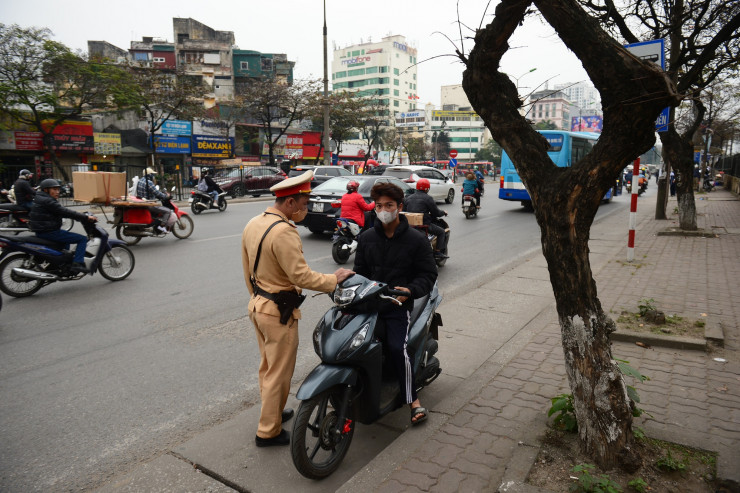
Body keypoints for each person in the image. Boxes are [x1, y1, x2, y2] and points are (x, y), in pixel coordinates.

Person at [241, 170, 354, 447]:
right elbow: (301, 277)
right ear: (289, 203)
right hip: (278, 312)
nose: (305, 209)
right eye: (303, 204)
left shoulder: (255, 222)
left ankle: (275, 413)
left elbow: (247, 269)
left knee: (268, 368)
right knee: (279, 372)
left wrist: (259, 298)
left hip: (258, 305)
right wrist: (333, 279)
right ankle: (268, 432)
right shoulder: (284, 233)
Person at [353, 181, 438, 426]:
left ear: (400, 206)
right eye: (378, 205)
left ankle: (413, 401)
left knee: (396, 348)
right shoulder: (367, 238)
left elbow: (428, 275)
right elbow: (359, 272)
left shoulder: (416, 240)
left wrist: (410, 291)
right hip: (368, 305)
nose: (383, 210)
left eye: (389, 205)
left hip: (396, 307)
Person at [29, 179, 98, 273]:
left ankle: (61, 263)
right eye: (54, 189)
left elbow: (62, 212)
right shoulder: (48, 201)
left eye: (58, 189)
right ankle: (77, 264)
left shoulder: (41, 198)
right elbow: (64, 211)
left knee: (66, 241)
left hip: (43, 230)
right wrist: (85, 217)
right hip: (49, 231)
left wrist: (80, 217)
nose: (58, 192)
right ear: (46, 190)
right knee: (81, 239)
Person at [404, 179, 449, 258]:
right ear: (427, 188)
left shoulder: (408, 198)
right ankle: (437, 252)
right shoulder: (428, 198)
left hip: (410, 225)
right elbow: (436, 212)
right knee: (441, 232)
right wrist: (443, 212)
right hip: (423, 225)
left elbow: (405, 210)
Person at [135, 167, 175, 233]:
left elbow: (153, 192)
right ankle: (161, 227)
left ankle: (156, 224)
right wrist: (165, 196)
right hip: (149, 204)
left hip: (143, 202)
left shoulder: (140, 180)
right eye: (152, 174)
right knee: (167, 211)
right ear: (149, 175)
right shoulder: (149, 182)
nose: (153, 176)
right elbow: (157, 193)